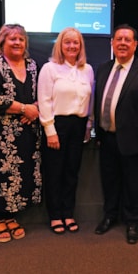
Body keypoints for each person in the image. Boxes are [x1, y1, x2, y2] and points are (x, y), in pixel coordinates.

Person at [0, 24, 42, 243]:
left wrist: (36, 108)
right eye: (12, 38)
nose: (17, 42)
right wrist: (24, 108)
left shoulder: (32, 65)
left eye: (21, 39)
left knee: (21, 171)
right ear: (1, 42)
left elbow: (43, 92)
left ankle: (12, 216)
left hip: (26, 130)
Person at [93, 24, 138, 244]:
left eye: (127, 40)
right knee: (109, 182)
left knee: (133, 184)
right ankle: (110, 216)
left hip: (135, 141)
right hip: (107, 138)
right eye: (118, 39)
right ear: (112, 43)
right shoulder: (102, 68)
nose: (122, 43)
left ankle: (132, 222)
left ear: (135, 45)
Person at [37, 27, 94, 234]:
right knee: (54, 173)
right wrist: (50, 130)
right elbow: (44, 100)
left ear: (81, 46)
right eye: (67, 42)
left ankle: (68, 213)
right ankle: (55, 215)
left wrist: (88, 126)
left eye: (76, 42)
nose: (72, 46)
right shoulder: (49, 68)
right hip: (56, 125)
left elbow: (90, 99)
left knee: (71, 172)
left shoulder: (87, 69)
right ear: (60, 45)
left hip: (78, 126)